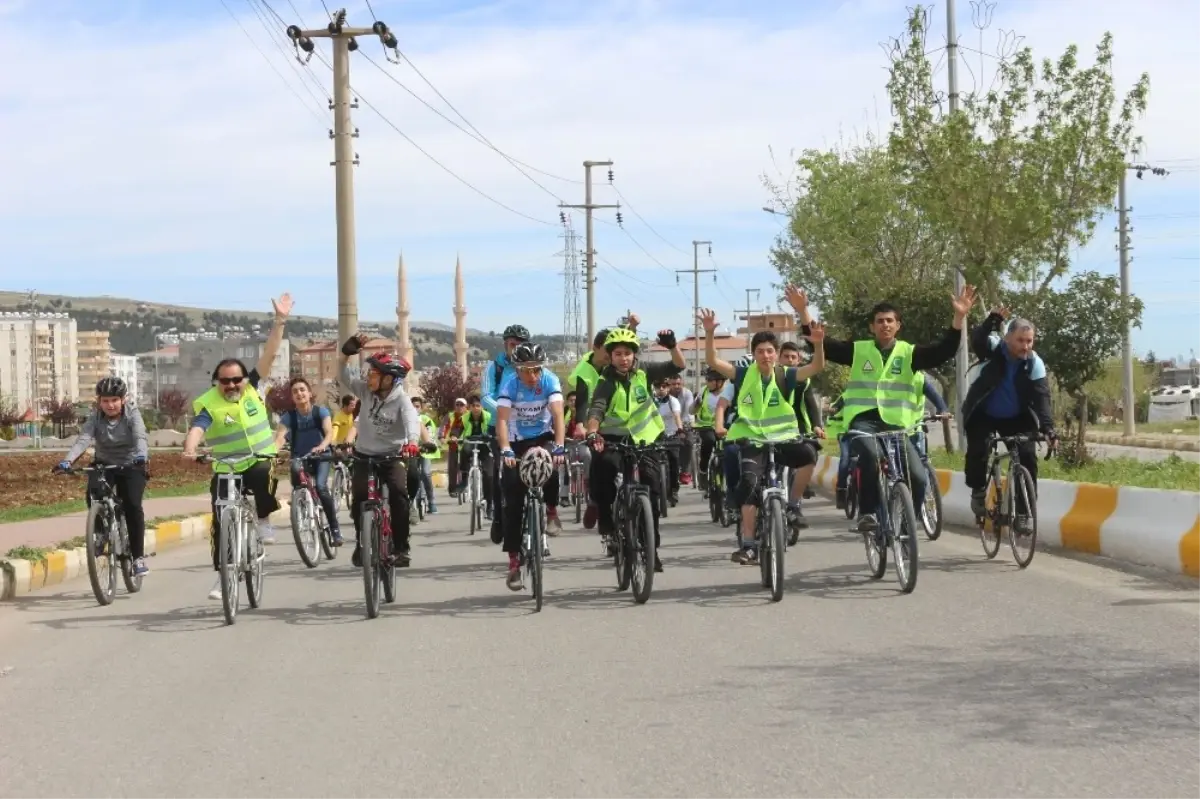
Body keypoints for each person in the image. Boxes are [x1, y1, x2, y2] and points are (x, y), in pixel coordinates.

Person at [785, 283, 975, 533]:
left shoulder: (910, 353)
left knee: (918, 477)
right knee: (871, 457)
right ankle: (868, 513)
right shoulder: (859, 350)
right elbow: (822, 344)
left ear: (898, 325)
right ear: (872, 327)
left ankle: (906, 525)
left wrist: (959, 317)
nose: (885, 324)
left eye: (890, 321)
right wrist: (803, 310)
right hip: (863, 423)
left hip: (898, 426)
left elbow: (944, 351)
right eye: (880, 321)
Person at [183, 292, 291, 600]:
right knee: (220, 520)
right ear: (216, 381)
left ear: (246, 379)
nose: (231, 385)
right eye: (225, 381)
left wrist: (279, 321)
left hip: (258, 457)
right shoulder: (208, 403)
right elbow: (197, 429)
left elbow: (269, 354)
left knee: (261, 474)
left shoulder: (253, 387)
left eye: (236, 380)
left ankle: (264, 518)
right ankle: (224, 576)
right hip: (226, 466)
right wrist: (190, 450)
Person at [699, 308, 826, 564]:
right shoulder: (743, 374)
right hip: (752, 441)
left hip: (782, 439)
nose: (766, 356)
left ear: (777, 355)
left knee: (809, 454)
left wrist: (819, 343)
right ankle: (748, 544)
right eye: (760, 351)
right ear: (754, 354)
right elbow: (713, 361)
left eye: (770, 351)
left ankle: (792, 505)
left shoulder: (787, 374)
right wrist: (710, 333)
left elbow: (817, 366)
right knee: (748, 485)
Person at [584, 327, 686, 572]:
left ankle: (652, 550)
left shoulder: (645, 372)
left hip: (645, 437)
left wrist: (672, 346)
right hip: (612, 438)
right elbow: (596, 409)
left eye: (627, 353)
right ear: (611, 356)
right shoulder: (605, 381)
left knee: (651, 491)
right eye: (618, 353)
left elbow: (678, 366)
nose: (623, 358)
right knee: (602, 469)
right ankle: (607, 523)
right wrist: (592, 432)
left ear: (634, 355)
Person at [338, 333, 436, 568]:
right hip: (364, 455)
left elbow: (412, 420)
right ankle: (362, 543)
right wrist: (345, 354)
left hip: (393, 457)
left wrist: (413, 441)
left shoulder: (402, 401)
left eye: (374, 374)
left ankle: (401, 548)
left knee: (398, 494)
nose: (368, 377)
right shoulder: (364, 391)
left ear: (389, 379)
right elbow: (343, 375)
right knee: (359, 497)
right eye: (369, 373)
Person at [963, 309, 1055, 527]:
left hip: (1016, 416)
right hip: (983, 413)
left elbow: (1042, 399)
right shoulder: (994, 348)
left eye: (1029, 341)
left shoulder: (1034, 363)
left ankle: (1023, 514)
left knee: (1027, 457)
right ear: (1007, 339)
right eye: (1020, 340)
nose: (1025, 346)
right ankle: (978, 491)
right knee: (979, 450)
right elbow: (978, 341)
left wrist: (1049, 428)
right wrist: (992, 321)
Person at [55, 377, 151, 576]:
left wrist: (141, 456)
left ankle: (137, 557)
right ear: (99, 401)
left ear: (123, 399)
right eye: (105, 401)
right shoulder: (96, 417)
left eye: (114, 400)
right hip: (104, 463)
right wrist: (67, 461)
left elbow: (140, 436)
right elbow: (84, 439)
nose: (110, 405)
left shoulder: (132, 414)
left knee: (132, 505)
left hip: (132, 463)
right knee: (94, 494)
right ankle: (100, 533)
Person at [495, 342, 567, 589]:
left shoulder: (549, 380)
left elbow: (558, 415)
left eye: (536, 369)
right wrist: (505, 449)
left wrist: (559, 446)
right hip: (516, 441)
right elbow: (502, 421)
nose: (532, 375)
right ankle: (514, 562)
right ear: (516, 369)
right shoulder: (509, 385)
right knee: (513, 497)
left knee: (552, 464)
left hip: (543, 437)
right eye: (526, 370)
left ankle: (551, 511)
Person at [568, 315, 639, 529]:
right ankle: (594, 501)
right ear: (597, 348)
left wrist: (633, 327)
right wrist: (581, 424)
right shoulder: (584, 371)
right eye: (609, 351)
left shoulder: (616, 365)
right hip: (594, 421)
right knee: (595, 459)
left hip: (621, 422)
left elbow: (628, 350)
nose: (614, 356)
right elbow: (581, 400)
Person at [272, 376, 341, 546]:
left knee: (321, 486)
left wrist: (322, 446)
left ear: (310, 393)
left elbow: (329, 433)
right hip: (300, 457)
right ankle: (301, 505)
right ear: (292, 397)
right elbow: (280, 438)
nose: (299, 393)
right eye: (295, 391)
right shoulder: (289, 417)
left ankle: (334, 529)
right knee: (297, 481)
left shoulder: (321, 412)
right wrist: (272, 453)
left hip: (321, 456)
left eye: (302, 390)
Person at [482, 324, 530, 544]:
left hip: (528, 426)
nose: (516, 348)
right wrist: (506, 411)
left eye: (520, 344)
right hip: (499, 427)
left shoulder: (532, 366)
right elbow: (485, 396)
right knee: (501, 474)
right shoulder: (495, 367)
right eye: (512, 344)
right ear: (505, 345)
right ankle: (499, 518)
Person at [691, 368, 725, 493]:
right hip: (706, 427)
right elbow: (691, 411)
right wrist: (696, 404)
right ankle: (703, 472)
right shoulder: (704, 392)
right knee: (709, 442)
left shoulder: (728, 392)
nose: (707, 383)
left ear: (720, 382)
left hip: (723, 427)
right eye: (707, 380)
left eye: (710, 380)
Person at [457, 394, 493, 514]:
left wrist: (492, 436)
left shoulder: (489, 416)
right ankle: (464, 480)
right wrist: (453, 436)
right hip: (470, 442)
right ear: (470, 407)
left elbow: (494, 429)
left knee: (489, 474)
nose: (476, 408)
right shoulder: (465, 417)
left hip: (485, 445)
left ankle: (489, 504)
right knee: (464, 450)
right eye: (473, 406)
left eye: (478, 406)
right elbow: (457, 429)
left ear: (482, 407)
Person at [653, 379, 684, 502]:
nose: (661, 389)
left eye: (664, 386)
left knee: (674, 462)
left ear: (668, 388)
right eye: (658, 386)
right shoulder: (650, 402)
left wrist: (680, 430)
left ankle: (674, 490)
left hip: (672, 434)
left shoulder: (673, 401)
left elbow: (677, 416)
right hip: (655, 436)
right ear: (654, 388)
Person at [410, 396, 440, 516]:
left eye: (417, 406)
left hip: (424, 450)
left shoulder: (426, 419)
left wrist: (425, 447)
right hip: (410, 451)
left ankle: (431, 501)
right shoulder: (405, 418)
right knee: (411, 475)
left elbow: (430, 435)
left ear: (421, 408)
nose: (414, 408)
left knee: (426, 473)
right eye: (412, 406)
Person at [668, 376, 695, 486]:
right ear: (669, 384)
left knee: (688, 442)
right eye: (673, 384)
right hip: (667, 424)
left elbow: (689, 410)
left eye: (678, 384)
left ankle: (686, 471)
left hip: (683, 422)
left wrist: (683, 425)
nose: (676, 386)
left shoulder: (687, 394)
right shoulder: (665, 393)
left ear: (682, 384)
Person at [440, 398, 468, 496]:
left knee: (467, 465)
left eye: (462, 405)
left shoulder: (469, 415)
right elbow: (443, 427)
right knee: (452, 468)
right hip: (453, 444)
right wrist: (442, 437)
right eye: (457, 405)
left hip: (466, 444)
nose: (459, 407)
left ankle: (466, 484)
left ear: (466, 407)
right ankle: (452, 489)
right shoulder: (450, 416)